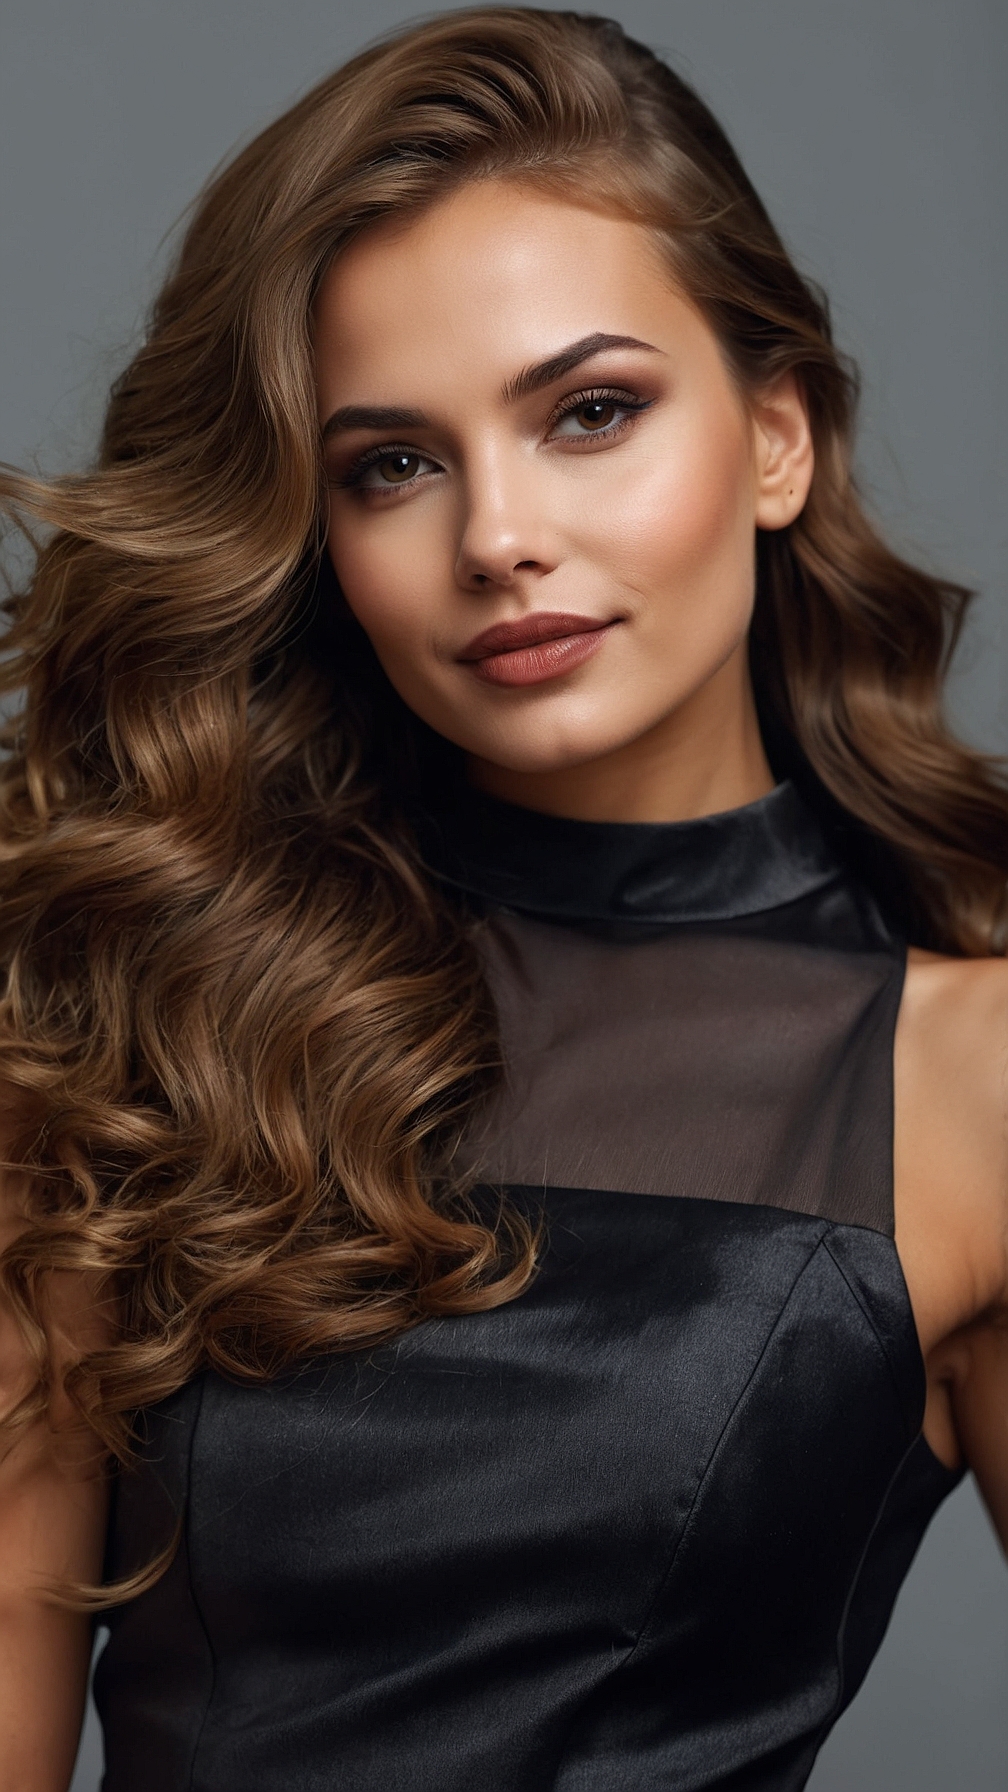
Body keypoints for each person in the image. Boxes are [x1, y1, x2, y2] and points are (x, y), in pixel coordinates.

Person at [0, 9, 1005, 1789]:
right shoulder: (136, 1016)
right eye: (392, 464)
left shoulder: (971, 1084)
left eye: (591, 413)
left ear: (778, 437)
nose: (496, 537)